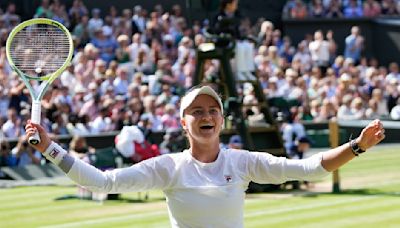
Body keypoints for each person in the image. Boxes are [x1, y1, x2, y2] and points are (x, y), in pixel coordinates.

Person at [25, 85, 385, 228]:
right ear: (183, 123)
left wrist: (357, 147)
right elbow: (101, 181)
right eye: (196, 111)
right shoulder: (169, 167)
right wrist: (49, 148)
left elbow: (310, 168)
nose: (206, 116)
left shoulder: (242, 162)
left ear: (222, 119)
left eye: (213, 110)